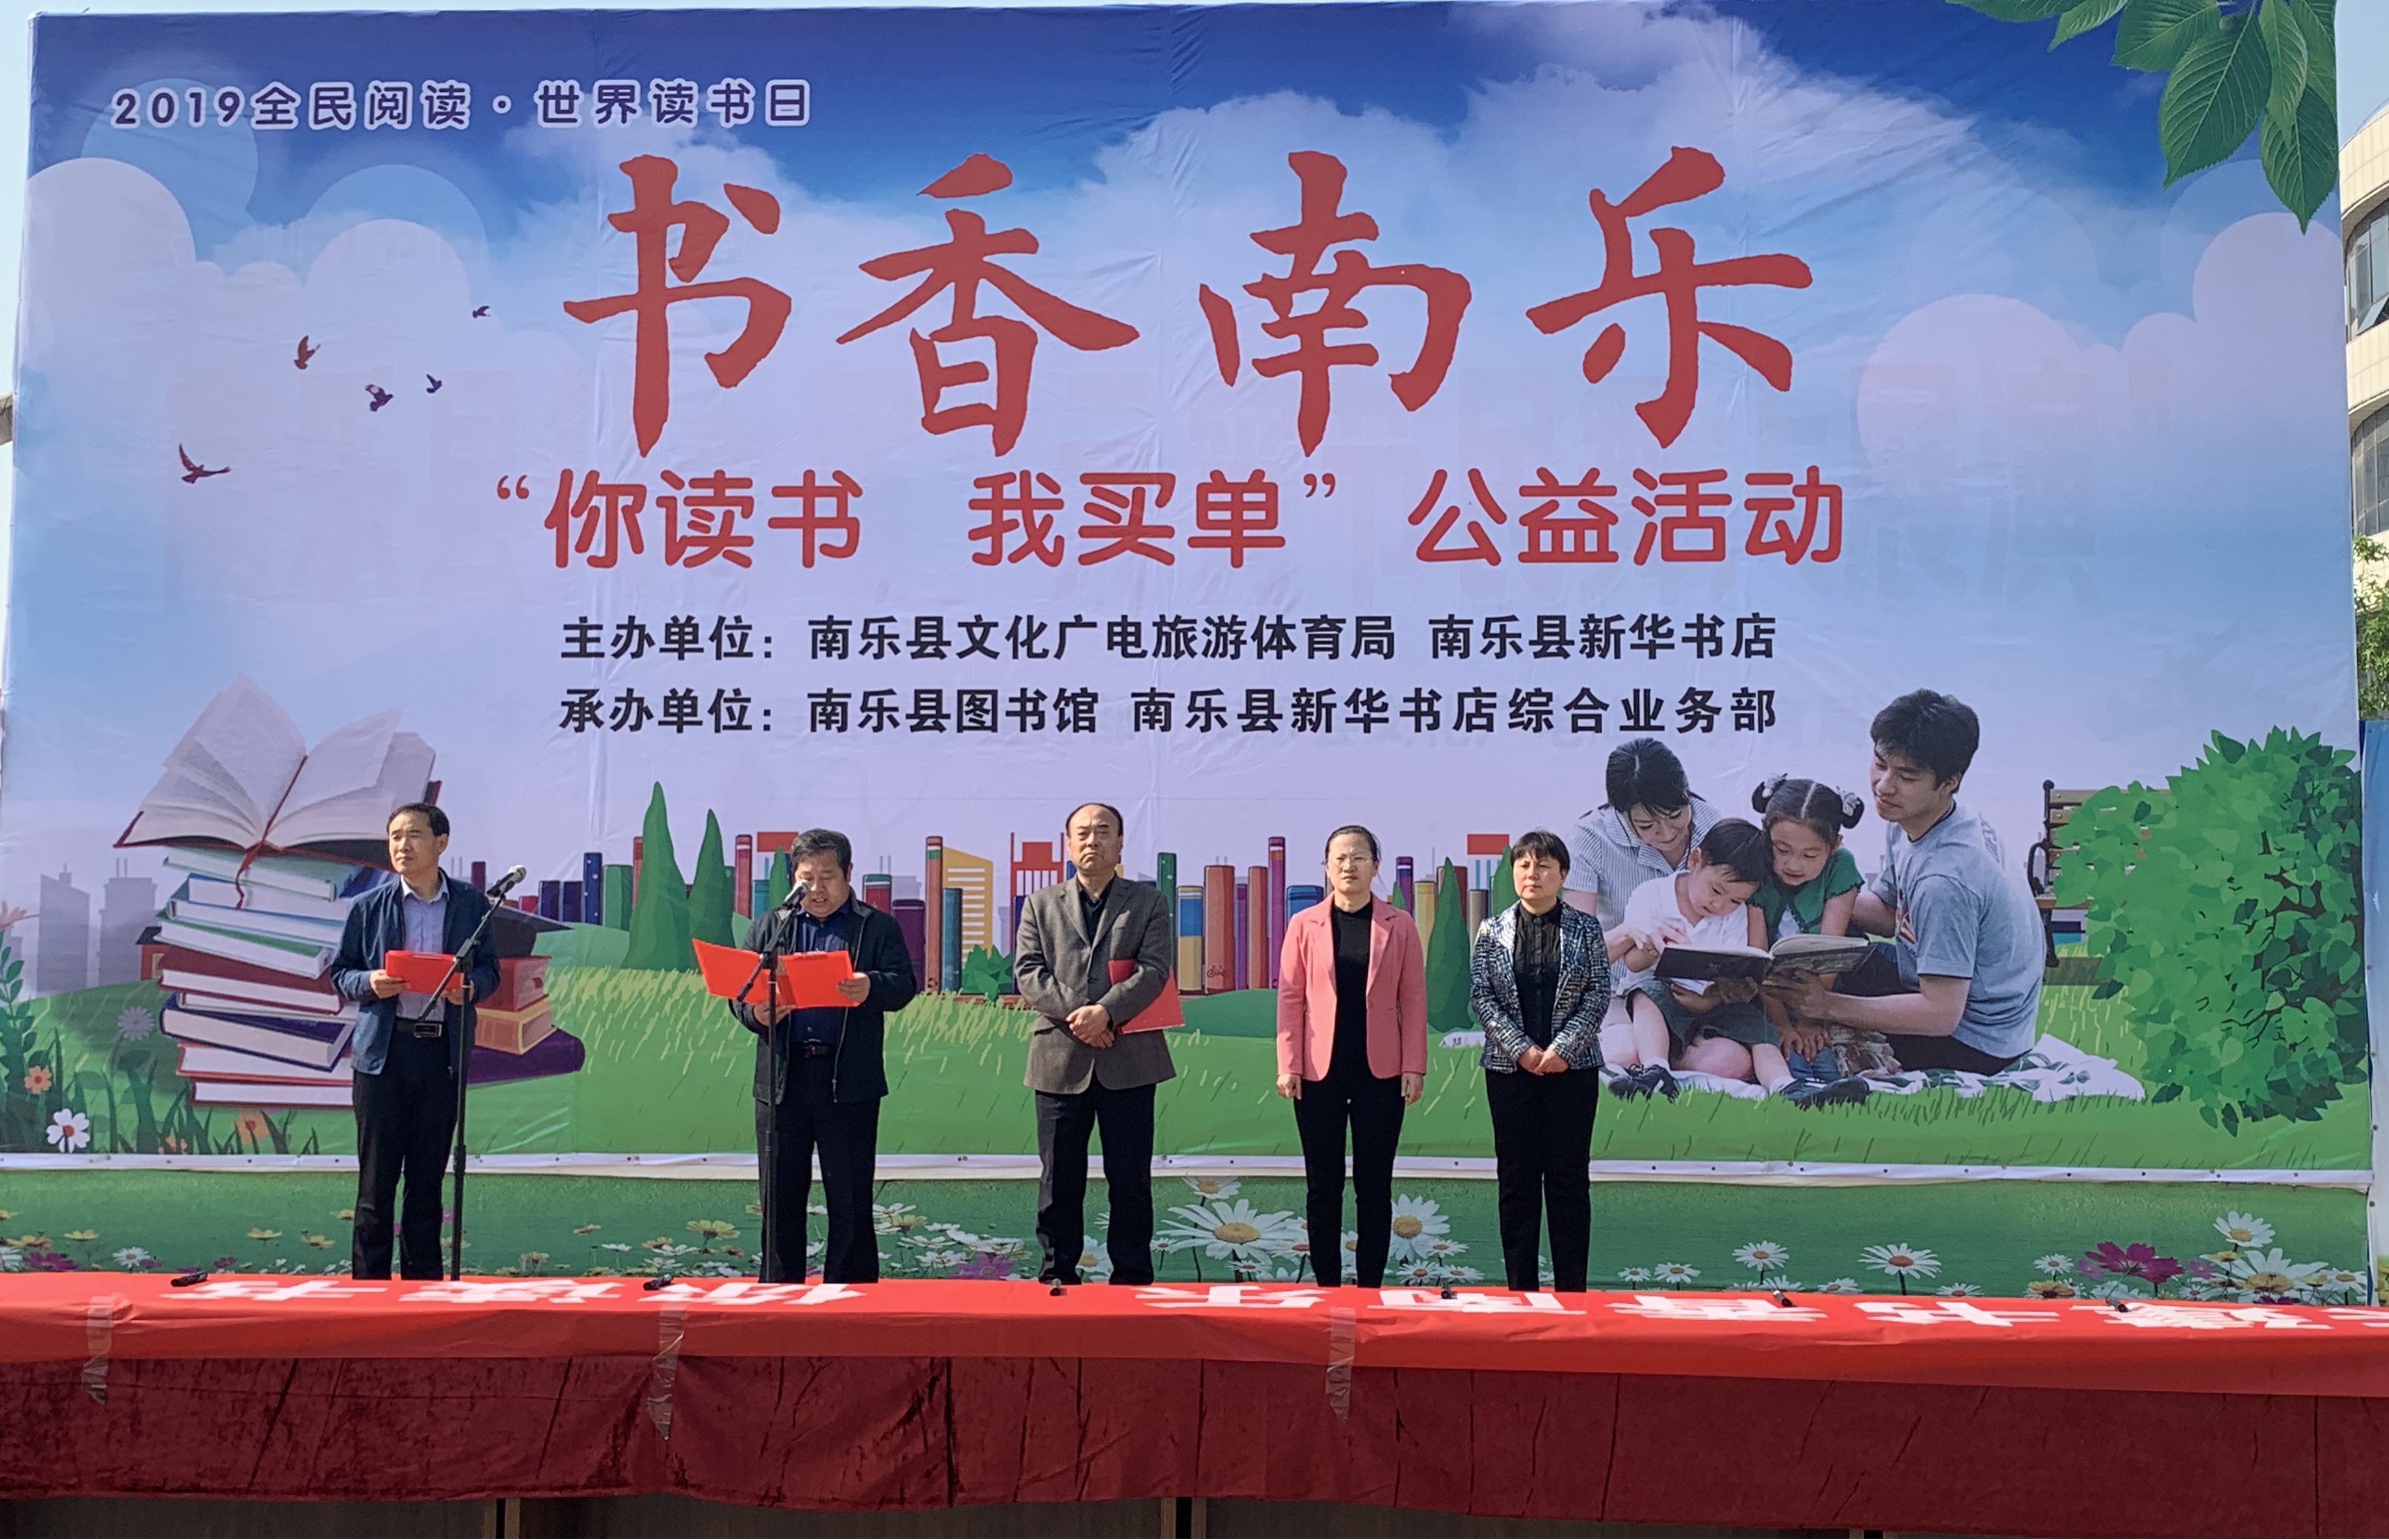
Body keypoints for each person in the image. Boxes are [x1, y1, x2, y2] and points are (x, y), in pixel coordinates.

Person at [1764, 690, 2044, 1074]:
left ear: (1949, 782)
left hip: (1975, 1041)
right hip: (1940, 986)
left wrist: (1826, 1006)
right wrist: (1811, 890)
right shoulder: (1917, 818)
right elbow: (1889, 915)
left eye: (1907, 776)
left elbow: (1940, 1014)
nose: (1884, 786)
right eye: (1880, 764)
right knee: (1832, 948)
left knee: (1818, 995)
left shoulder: (1945, 880)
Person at [729, 828, 918, 1284]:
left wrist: (871, 985)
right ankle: (779, 1295)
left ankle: (850, 1298)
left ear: (848, 873)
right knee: (779, 1197)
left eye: (827, 877)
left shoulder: (876, 927)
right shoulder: (771, 927)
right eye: (807, 879)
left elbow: (903, 984)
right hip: (783, 1080)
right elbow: (739, 992)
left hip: (847, 1080)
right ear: (793, 879)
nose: (816, 889)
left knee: (850, 1198)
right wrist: (755, 1013)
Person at [328, 802, 501, 1280]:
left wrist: (471, 988)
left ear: (441, 842)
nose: (402, 846)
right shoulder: (369, 907)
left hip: (441, 1055)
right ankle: (369, 1291)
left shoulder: (471, 905)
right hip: (383, 1057)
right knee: (376, 1185)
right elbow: (340, 974)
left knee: (427, 1185)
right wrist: (370, 983)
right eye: (395, 837)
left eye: (414, 835)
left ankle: (424, 1291)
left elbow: (491, 969)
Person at [1013, 801, 1175, 1285]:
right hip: (1059, 1060)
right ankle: (1057, 1271)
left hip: (1130, 1058)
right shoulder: (1040, 904)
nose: (1092, 840)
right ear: (1068, 844)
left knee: (1130, 1177)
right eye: (1082, 833)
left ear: (1121, 843)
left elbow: (1154, 969)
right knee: (1059, 1177)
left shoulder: (1148, 902)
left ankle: (1132, 1274)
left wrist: (1106, 1012)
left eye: (1103, 832)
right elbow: (1028, 972)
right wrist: (1083, 1015)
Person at [1274, 824, 1427, 1288]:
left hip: (1380, 1072)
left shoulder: (1399, 925)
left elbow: (1413, 999)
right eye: (1339, 858)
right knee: (1323, 1186)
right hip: (1318, 1071)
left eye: (1359, 857)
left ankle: (1370, 1286)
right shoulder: (1304, 925)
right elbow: (1290, 998)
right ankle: (1326, 1284)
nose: (1349, 866)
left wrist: (1414, 1065)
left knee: (1374, 1185)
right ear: (1325, 867)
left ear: (1375, 867)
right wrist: (1289, 1064)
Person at [1607, 818, 1850, 1104]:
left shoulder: (1735, 914)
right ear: (1695, 861)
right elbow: (1632, 964)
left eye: (1735, 901)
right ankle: (1656, 1070)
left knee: (1756, 1023)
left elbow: (1734, 963)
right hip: (1665, 995)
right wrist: (1656, 946)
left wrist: (1719, 995)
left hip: (1711, 1001)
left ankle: (1785, 1087)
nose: (1720, 906)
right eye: (1716, 890)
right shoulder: (1653, 895)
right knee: (1646, 994)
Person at [1469, 829, 1610, 1293]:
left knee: (1569, 1180)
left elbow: (1598, 993)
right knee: (1517, 1181)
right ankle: (1520, 1289)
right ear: (1514, 873)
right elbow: (1483, 997)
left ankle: (1572, 1291)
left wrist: (1563, 1049)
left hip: (1573, 1071)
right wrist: (1522, 1049)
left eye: (1544, 866)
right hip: (1511, 1073)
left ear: (1562, 875)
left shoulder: (1586, 929)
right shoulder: (1491, 931)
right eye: (1525, 865)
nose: (1534, 874)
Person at [1570, 738, 1719, 1089]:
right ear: (1620, 813)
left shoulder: (1713, 827)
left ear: (1687, 792)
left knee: (1725, 1062)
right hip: (1619, 992)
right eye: (1647, 826)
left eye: (1676, 816)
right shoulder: (1590, 839)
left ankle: (1659, 1063)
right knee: (1626, 1052)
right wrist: (1630, 931)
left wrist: (1719, 992)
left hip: (1694, 994)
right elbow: (1576, 956)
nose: (1666, 834)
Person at [1748, 775, 1896, 1090]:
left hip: (1824, 986)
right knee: (1789, 1057)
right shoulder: (1756, 861)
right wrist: (1781, 1023)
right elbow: (1757, 955)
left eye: (1810, 855)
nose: (1794, 865)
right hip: (1765, 991)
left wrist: (1809, 1020)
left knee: (1824, 1060)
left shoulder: (1841, 866)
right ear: (1765, 832)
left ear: (1834, 846)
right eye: (1782, 850)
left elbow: (1829, 952)